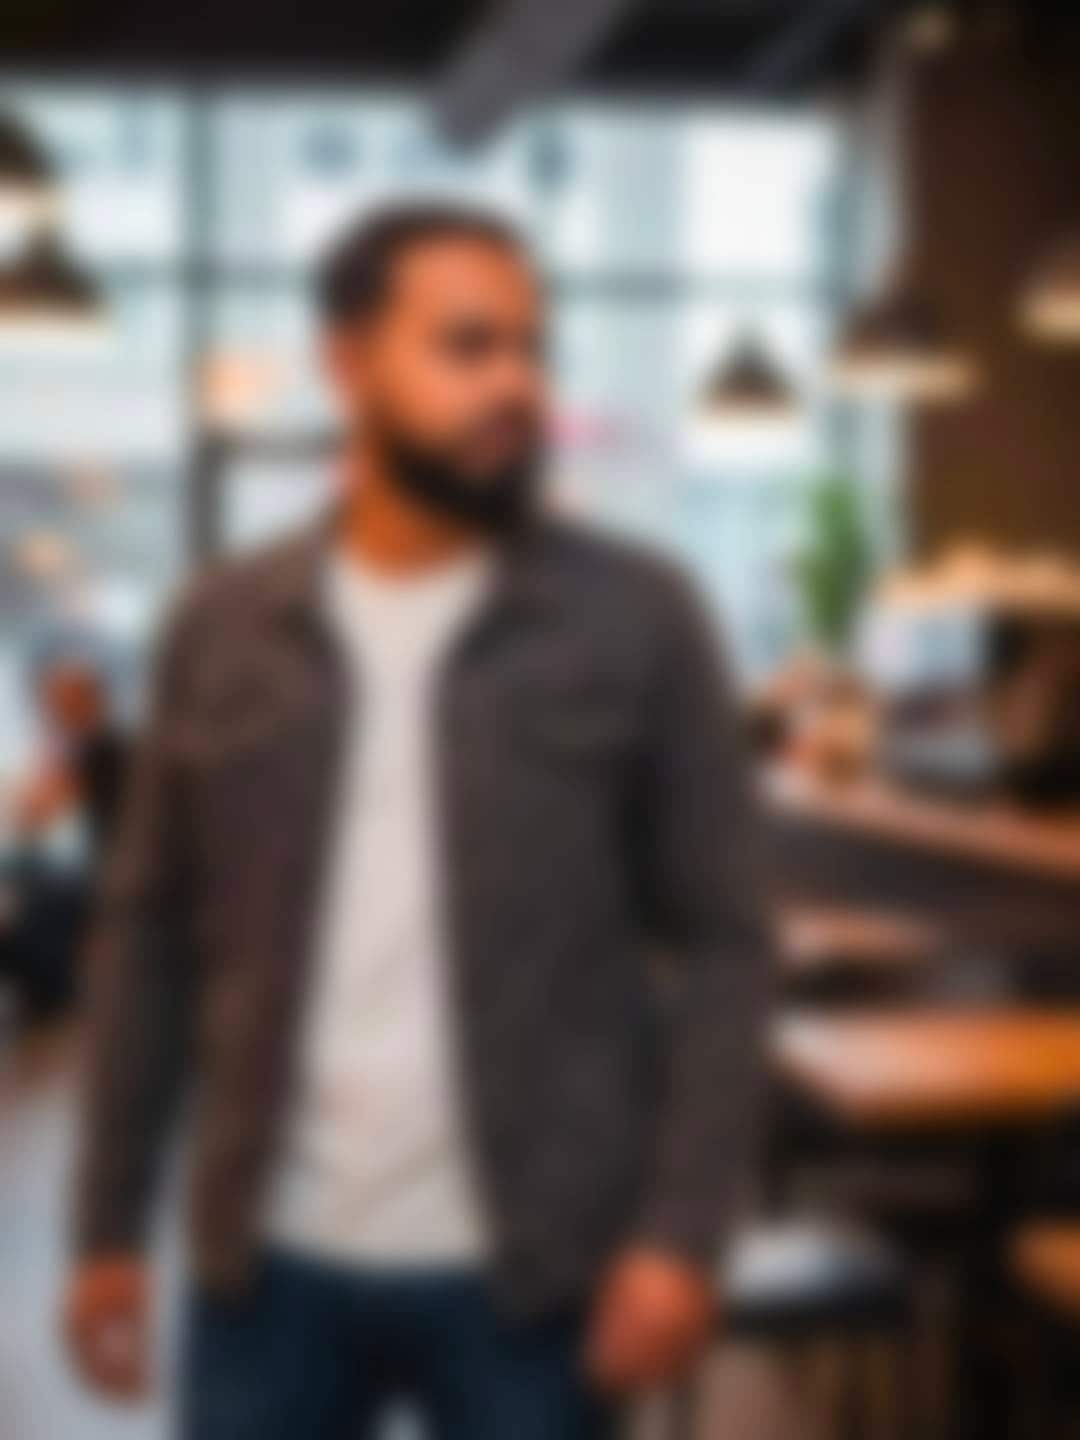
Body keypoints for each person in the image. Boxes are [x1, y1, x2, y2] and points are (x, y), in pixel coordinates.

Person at [63, 202, 772, 1439]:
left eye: (531, 348)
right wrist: (106, 1225)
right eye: (467, 346)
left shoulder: (638, 617)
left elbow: (726, 942)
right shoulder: (223, 625)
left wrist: (683, 1231)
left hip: (539, 1271)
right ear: (348, 363)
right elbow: (148, 937)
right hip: (265, 1267)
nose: (515, 385)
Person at [0, 654, 129, 1015]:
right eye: (51, 706)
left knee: (28, 902)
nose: (54, 716)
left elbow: (39, 806)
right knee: (15, 871)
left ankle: (49, 1002)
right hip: (80, 871)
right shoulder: (82, 749)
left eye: (63, 704)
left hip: (106, 880)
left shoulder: (107, 750)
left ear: (91, 703)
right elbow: (29, 816)